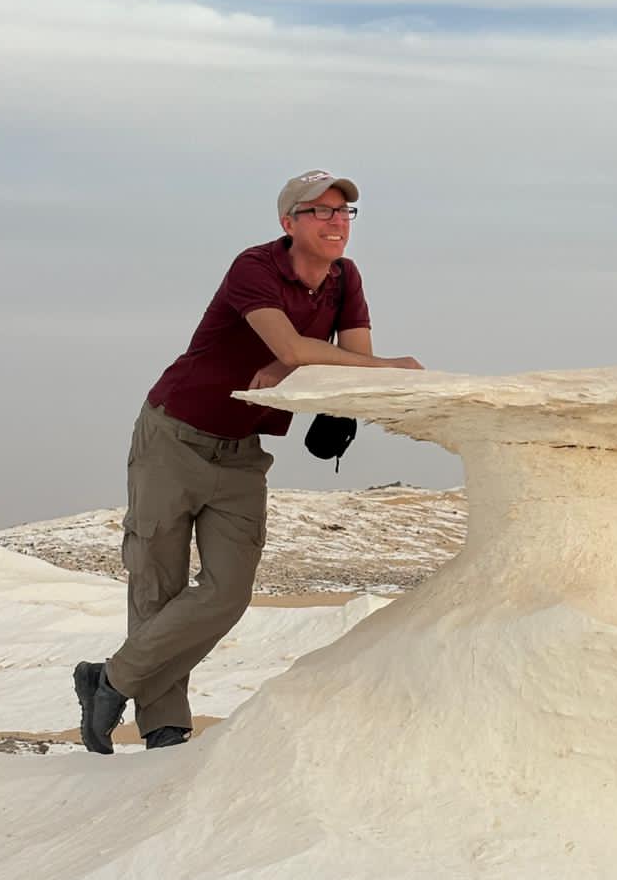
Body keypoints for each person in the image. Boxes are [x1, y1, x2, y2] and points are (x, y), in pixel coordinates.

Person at [74, 170, 423, 754]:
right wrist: (352, 364)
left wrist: (301, 370)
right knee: (157, 584)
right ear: (289, 224)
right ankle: (165, 727)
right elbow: (297, 347)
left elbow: (350, 361)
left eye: (345, 213)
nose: (337, 222)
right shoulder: (254, 268)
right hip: (174, 436)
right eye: (322, 212)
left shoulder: (344, 278)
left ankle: (106, 680)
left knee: (226, 593)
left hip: (241, 453)